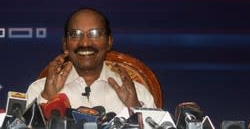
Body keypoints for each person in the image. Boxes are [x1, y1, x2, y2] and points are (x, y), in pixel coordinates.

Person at [26, 7, 156, 114]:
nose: (85, 42)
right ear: (65, 44)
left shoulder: (137, 93)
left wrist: (135, 108)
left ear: (109, 41)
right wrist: (47, 98)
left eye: (95, 34)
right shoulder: (39, 90)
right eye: (76, 34)